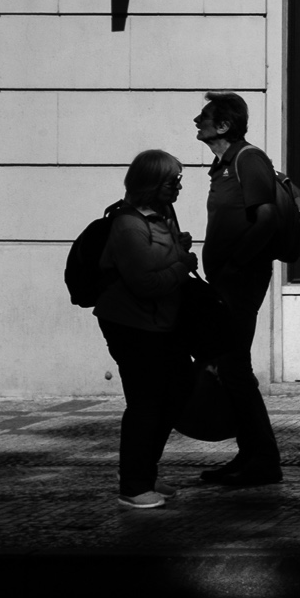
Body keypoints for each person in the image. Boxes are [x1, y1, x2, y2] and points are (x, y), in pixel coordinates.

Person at [95, 150, 197, 509]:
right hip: (132, 324)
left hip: (160, 323)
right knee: (146, 401)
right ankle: (134, 485)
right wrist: (183, 263)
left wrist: (177, 249)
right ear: (151, 183)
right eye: (172, 182)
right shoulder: (128, 224)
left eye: (179, 181)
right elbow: (145, 284)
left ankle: (144, 474)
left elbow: (158, 263)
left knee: (176, 391)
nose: (178, 188)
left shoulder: (161, 216)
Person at [194, 91, 284, 486]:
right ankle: (252, 455)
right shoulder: (224, 165)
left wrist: (234, 265)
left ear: (224, 125)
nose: (197, 121)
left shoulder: (248, 159)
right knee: (232, 368)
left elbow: (266, 218)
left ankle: (262, 459)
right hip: (226, 283)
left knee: (234, 367)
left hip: (241, 283)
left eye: (204, 116)